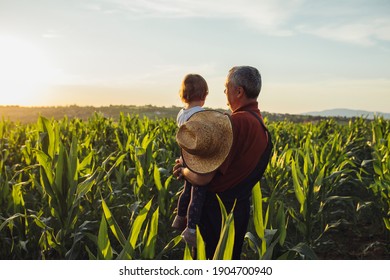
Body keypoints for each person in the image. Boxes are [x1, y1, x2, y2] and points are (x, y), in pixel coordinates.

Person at [173, 66, 273, 259]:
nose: (225, 92)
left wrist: (184, 171)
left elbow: (202, 179)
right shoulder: (261, 127)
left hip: (214, 214)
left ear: (239, 91)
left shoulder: (231, 124)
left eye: (227, 87)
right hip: (238, 212)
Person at [171, 73, 209, 247]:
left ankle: (179, 217)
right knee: (198, 192)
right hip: (195, 159)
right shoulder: (201, 115)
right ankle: (191, 229)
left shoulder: (181, 114)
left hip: (184, 155)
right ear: (204, 95)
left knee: (186, 190)